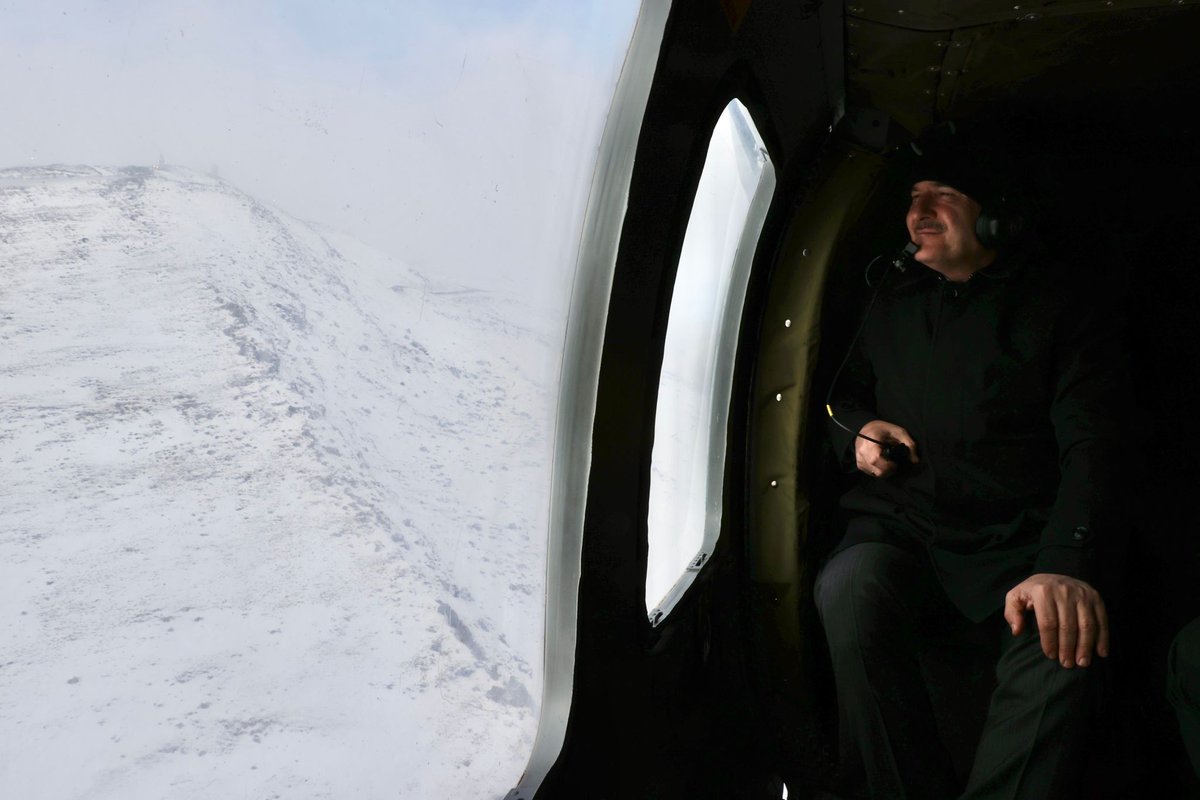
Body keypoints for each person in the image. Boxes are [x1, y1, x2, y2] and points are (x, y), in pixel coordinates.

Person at [815, 144, 1128, 799]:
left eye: (943, 197)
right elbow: (837, 400)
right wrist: (859, 437)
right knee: (849, 586)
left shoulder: (1061, 305)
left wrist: (1063, 565)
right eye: (912, 199)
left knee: (1060, 638)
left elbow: (1093, 445)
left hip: (1022, 539)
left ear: (995, 217)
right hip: (905, 530)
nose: (919, 212)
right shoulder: (887, 299)